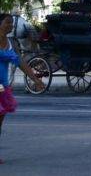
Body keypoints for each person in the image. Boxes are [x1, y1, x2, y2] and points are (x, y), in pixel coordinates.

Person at [0, 13, 44, 163]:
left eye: (11, 23)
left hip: (2, 88)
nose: (10, 26)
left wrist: (35, 79)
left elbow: (20, 63)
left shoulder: (11, 43)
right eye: (7, 23)